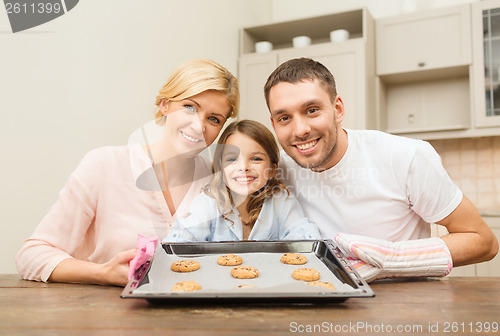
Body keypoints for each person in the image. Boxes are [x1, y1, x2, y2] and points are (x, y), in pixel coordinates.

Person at [264, 57, 498, 282]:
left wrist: (392, 260)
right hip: (321, 307)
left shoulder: (406, 156)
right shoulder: (278, 170)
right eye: (285, 117)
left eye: (312, 110)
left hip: (406, 309)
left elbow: (484, 242)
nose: (300, 129)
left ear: (338, 109)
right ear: (274, 125)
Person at [15, 59, 239, 286]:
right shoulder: (104, 165)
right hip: (103, 315)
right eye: (190, 107)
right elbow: (31, 255)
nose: (198, 126)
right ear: (165, 105)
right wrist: (103, 273)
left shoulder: (216, 181)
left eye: (213, 119)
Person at [164, 120, 320, 242]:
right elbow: (181, 239)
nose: (244, 167)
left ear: (272, 170)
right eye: (232, 159)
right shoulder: (209, 202)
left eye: (256, 159)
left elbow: (305, 239)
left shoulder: (281, 201)